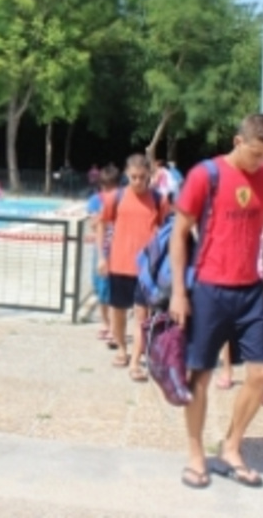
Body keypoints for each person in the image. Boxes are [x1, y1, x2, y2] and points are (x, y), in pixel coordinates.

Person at [169, 114, 263, 490]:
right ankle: (195, 454)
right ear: (238, 141)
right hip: (208, 288)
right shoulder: (206, 175)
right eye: (254, 153)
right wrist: (178, 291)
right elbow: (179, 233)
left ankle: (232, 446)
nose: (260, 162)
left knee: (260, 372)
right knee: (199, 377)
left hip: (250, 289)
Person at [99, 154, 169, 380]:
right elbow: (101, 224)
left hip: (146, 268)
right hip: (119, 263)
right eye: (133, 177)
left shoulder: (159, 200)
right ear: (126, 175)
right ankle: (121, 348)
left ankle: (136, 361)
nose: (138, 181)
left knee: (142, 314)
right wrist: (102, 256)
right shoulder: (116, 198)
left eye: (142, 177)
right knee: (118, 312)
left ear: (149, 175)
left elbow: (167, 230)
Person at [87, 168, 116, 346]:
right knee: (101, 289)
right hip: (101, 250)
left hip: (118, 251)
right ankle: (104, 322)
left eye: (112, 188)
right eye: (106, 188)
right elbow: (92, 224)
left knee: (114, 291)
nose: (109, 192)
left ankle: (113, 326)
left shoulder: (122, 200)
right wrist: (103, 215)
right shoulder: (94, 201)